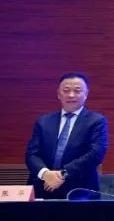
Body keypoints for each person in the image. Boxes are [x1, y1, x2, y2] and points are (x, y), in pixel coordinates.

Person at [26, 72, 108, 200]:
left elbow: (95, 154)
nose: (71, 95)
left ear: (86, 94)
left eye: (77, 91)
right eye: (66, 90)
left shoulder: (97, 121)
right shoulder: (43, 121)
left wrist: (62, 175)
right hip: (43, 188)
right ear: (59, 94)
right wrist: (45, 174)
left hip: (80, 191)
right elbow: (32, 154)